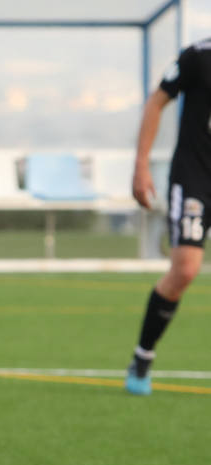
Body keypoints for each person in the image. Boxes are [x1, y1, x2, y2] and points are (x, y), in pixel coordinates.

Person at [126, 38, 211, 395]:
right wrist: (141, 165)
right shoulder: (199, 56)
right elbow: (157, 101)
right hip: (195, 175)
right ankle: (143, 355)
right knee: (185, 269)